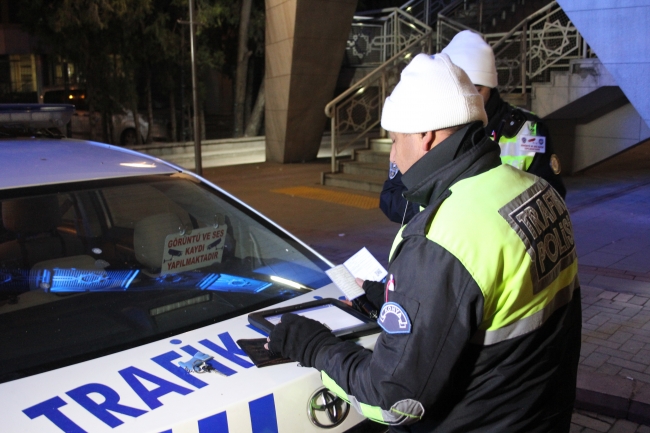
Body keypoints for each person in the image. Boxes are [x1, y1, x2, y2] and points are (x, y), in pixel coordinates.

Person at [266, 53, 581, 432]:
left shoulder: (444, 237)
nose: (394, 156)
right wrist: (389, 295)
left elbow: (392, 399)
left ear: (425, 135)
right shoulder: (536, 192)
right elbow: (487, 301)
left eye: (395, 140)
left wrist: (313, 346)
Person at [380, 30, 566, 224]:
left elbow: (551, 200)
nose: (470, 98)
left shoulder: (530, 130)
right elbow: (391, 197)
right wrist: (437, 209)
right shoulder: (425, 130)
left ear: (490, 85)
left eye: (476, 90)